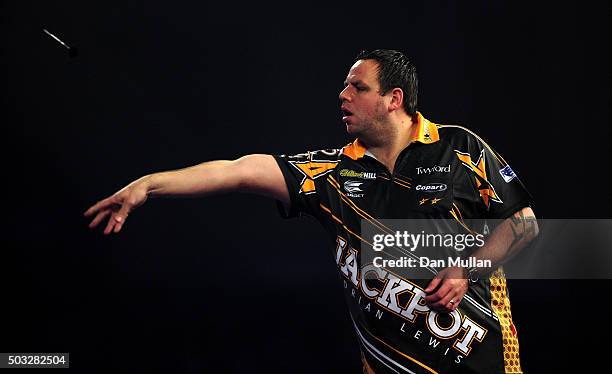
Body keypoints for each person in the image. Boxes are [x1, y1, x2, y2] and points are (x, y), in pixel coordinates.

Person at [85, 49, 538, 373]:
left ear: (393, 99)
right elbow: (241, 171)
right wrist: (150, 184)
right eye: (344, 85)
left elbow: (523, 224)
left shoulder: (459, 147)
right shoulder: (330, 173)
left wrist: (466, 268)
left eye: (357, 87)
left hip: (484, 358)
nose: (343, 94)